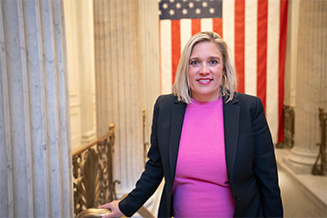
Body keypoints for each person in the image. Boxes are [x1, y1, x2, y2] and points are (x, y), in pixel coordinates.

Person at [100, 31, 283, 217]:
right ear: (185, 69)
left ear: (224, 68)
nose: (204, 70)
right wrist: (126, 206)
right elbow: (156, 167)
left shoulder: (248, 108)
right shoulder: (165, 108)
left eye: (213, 61)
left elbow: (267, 178)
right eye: (195, 62)